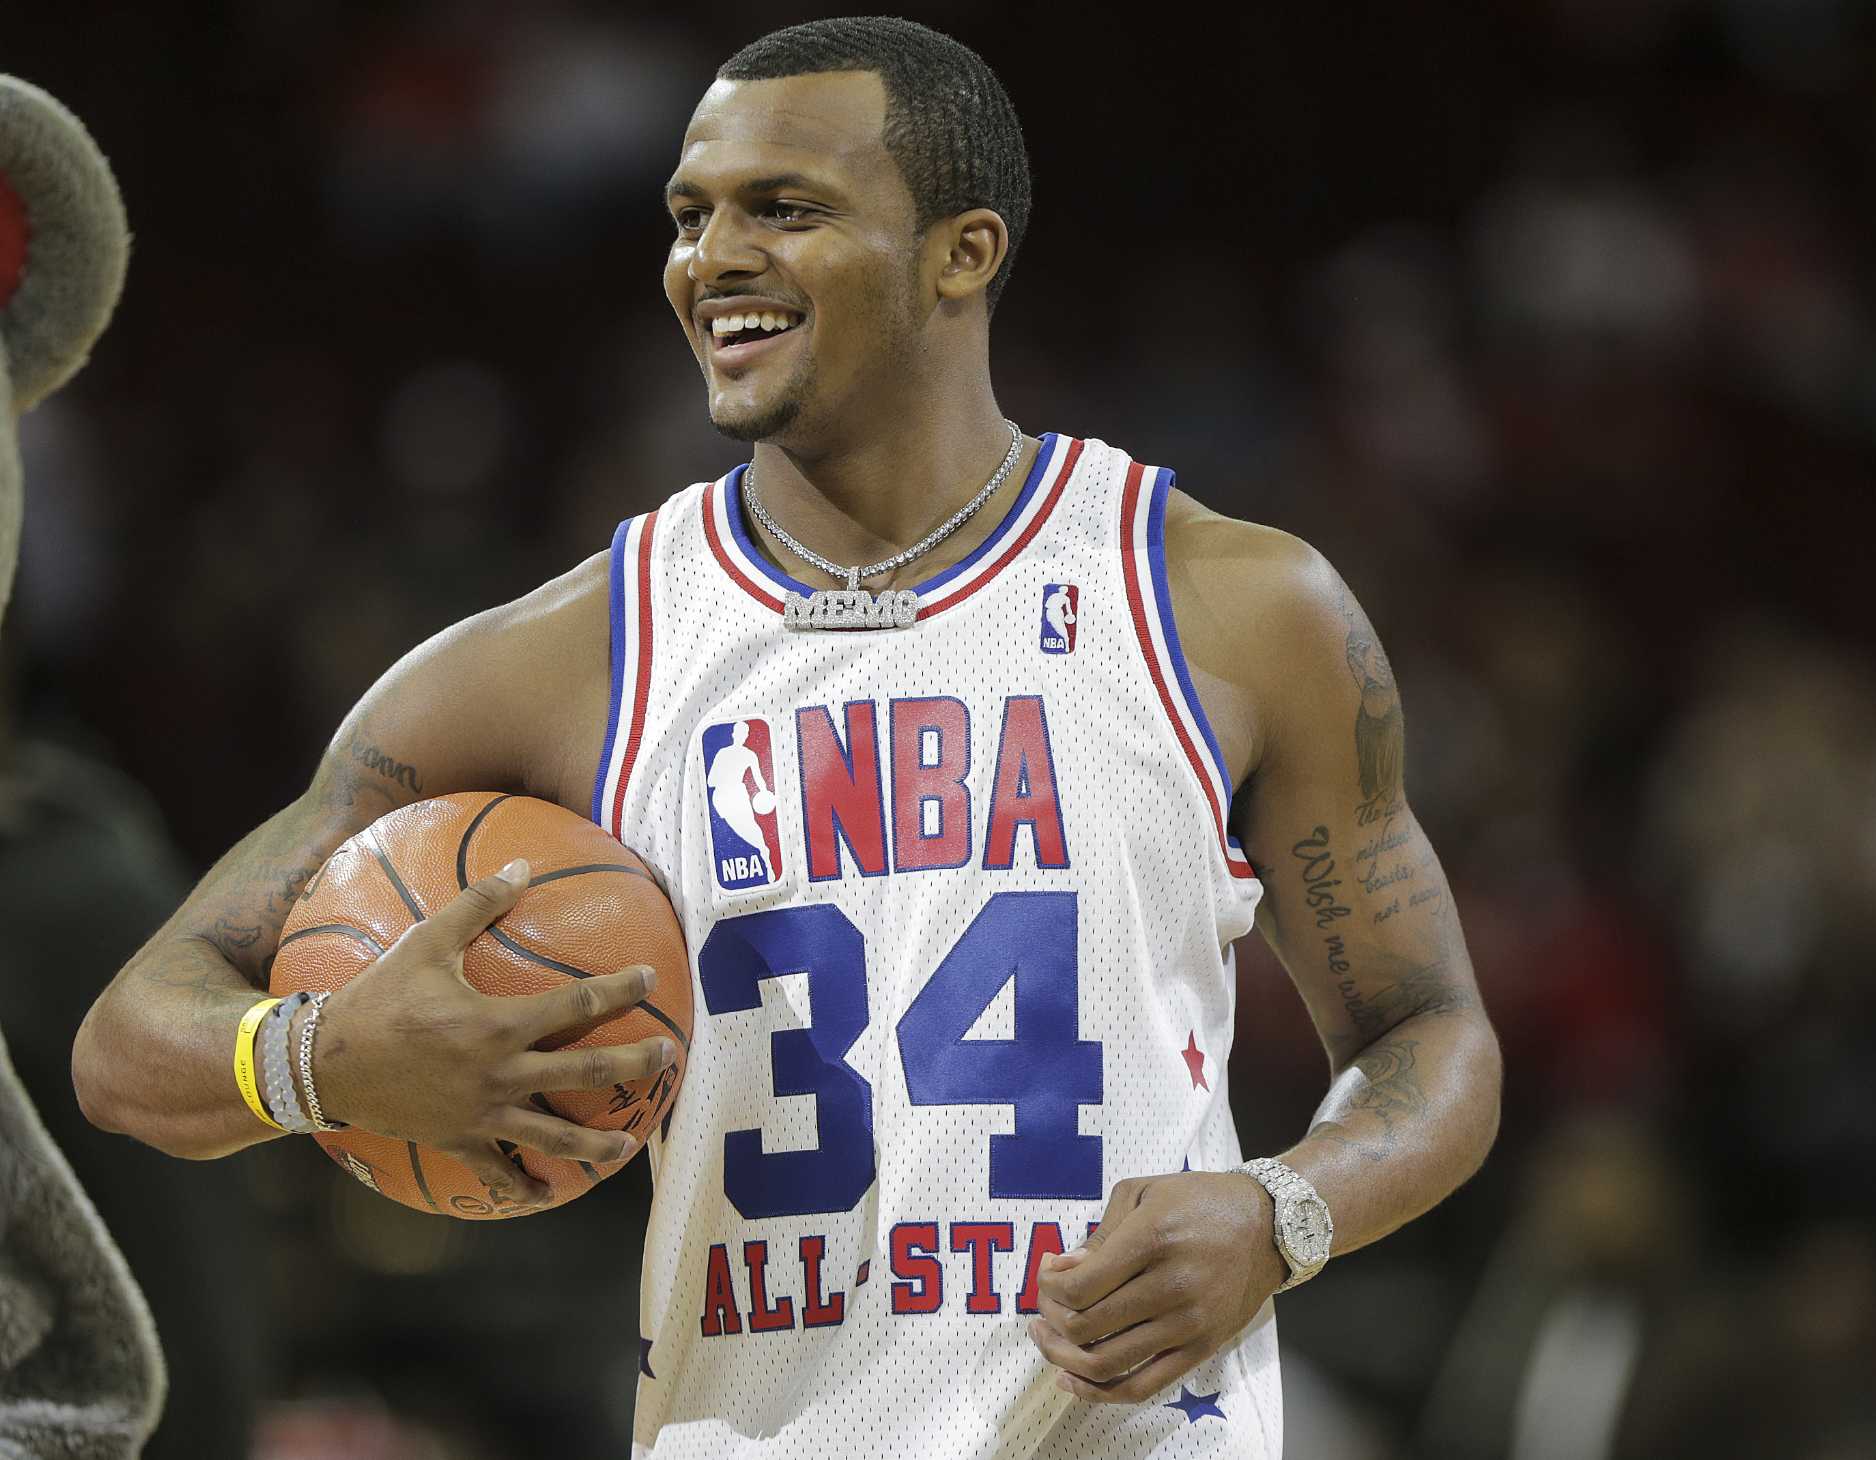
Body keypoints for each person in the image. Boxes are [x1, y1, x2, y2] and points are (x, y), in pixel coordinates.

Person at [73, 17, 1501, 1458]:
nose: (712, 259)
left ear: (965, 250)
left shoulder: (1226, 604)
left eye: (785, 209)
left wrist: (1283, 1211)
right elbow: (130, 1042)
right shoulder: (567, 659)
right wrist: (314, 1058)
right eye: (692, 216)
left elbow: (1432, 1036)